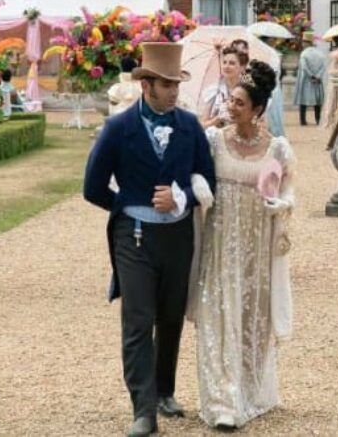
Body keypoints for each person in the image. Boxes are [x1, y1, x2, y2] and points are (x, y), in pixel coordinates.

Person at [83, 42, 217, 437]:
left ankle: (164, 391)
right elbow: (92, 187)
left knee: (171, 316)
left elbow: (209, 181)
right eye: (166, 83)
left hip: (178, 234)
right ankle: (143, 410)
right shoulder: (118, 128)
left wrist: (183, 197)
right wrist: (129, 206)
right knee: (138, 320)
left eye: (177, 83)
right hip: (133, 236)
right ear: (146, 85)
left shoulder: (190, 126)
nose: (174, 90)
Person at [191, 62, 295, 431]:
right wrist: (198, 186)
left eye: (239, 103)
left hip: (257, 243)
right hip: (220, 243)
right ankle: (223, 400)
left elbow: (288, 189)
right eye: (230, 100)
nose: (231, 108)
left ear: (258, 110)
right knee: (218, 315)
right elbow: (194, 169)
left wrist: (283, 203)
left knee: (253, 316)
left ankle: (250, 390)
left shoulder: (277, 148)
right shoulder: (213, 140)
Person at [294, 39, 327, 128]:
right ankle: (317, 119)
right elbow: (324, 67)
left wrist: (311, 76)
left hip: (306, 80)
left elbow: (304, 67)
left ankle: (303, 120)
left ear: (306, 43)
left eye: (303, 42)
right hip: (317, 80)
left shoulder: (304, 54)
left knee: (303, 100)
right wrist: (318, 76)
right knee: (317, 100)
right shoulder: (321, 54)